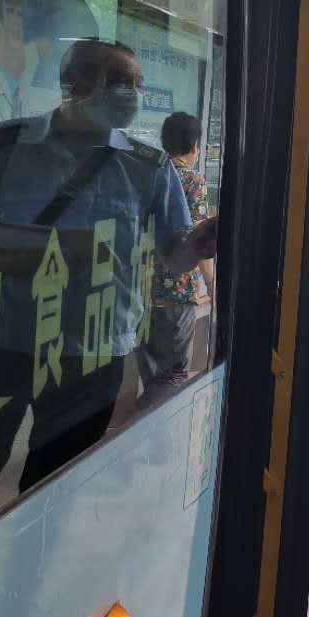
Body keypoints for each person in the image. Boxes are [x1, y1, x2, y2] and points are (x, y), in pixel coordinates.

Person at [0, 40, 217, 577]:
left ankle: (24, 599)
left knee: (53, 496)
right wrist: (6, 259)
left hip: (91, 352)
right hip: (1, 343)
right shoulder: (3, 148)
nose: (134, 94)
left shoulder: (147, 166)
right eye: (121, 81)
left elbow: (173, 253)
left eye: (137, 83)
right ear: (75, 85)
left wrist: (203, 241)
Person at [138, 111, 214, 401]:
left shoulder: (148, 174)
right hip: (176, 294)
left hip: (142, 292)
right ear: (195, 145)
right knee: (171, 379)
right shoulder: (192, 180)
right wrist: (211, 282)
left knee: (151, 377)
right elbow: (199, 239)